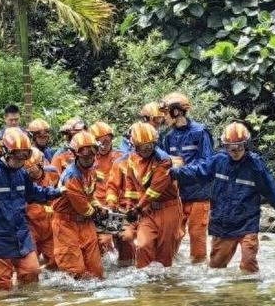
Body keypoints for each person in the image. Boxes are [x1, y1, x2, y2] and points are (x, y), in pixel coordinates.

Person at [170, 122, 275, 273]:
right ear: (225, 146)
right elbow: (198, 172)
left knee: (249, 262)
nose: (235, 151)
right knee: (216, 268)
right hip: (223, 224)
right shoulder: (218, 161)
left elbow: (272, 191)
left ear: (246, 145)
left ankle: (249, 292)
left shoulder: (255, 165)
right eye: (230, 148)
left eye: (239, 147)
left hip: (247, 222)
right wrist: (175, 173)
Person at [0, 128, 61, 291]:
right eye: (18, 155)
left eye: (25, 155)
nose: (22, 160)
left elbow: (33, 193)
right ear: (6, 152)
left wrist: (56, 192)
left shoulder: (21, 173)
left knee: (32, 273)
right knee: (2, 288)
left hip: (20, 235)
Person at [160, 92, 214, 264]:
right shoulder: (168, 137)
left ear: (176, 112)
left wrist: (180, 171)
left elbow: (206, 165)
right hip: (178, 195)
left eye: (166, 112)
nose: (164, 117)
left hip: (200, 194)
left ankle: (198, 273)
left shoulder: (200, 132)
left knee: (197, 237)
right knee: (172, 236)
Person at [124, 122, 183, 268]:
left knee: (164, 255)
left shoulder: (163, 160)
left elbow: (155, 190)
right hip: (147, 209)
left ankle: (161, 287)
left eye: (150, 146)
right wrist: (129, 206)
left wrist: (137, 208)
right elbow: (131, 184)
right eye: (143, 146)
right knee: (143, 245)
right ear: (135, 145)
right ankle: (143, 284)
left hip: (167, 209)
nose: (146, 149)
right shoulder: (132, 159)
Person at [52, 131, 105, 279]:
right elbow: (82, 205)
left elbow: (89, 195)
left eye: (92, 152)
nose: (88, 157)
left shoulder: (91, 172)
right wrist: (96, 214)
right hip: (66, 223)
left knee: (96, 271)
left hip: (85, 222)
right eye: (84, 153)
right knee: (76, 271)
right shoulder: (72, 176)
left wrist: (99, 206)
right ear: (76, 154)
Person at [23, 147, 60, 269]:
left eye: (33, 169)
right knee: (30, 265)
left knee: (56, 262)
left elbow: (58, 193)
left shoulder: (53, 173)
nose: (32, 173)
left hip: (49, 225)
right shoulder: (21, 179)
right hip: (30, 225)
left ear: (40, 164)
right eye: (28, 170)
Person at [90, 121, 123, 255]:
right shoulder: (88, 159)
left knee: (124, 239)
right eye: (99, 142)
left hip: (116, 206)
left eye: (106, 141)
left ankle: (126, 265)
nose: (103, 146)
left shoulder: (120, 157)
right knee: (103, 241)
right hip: (97, 208)